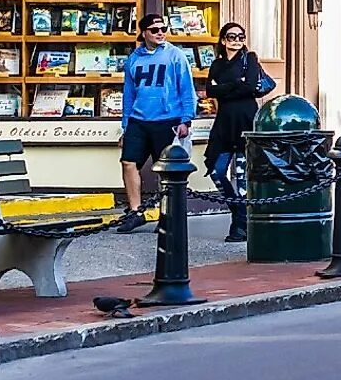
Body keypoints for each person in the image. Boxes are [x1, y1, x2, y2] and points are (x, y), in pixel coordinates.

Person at [117, 13, 195, 230]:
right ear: (144, 33)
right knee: (128, 162)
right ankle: (135, 211)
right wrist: (125, 126)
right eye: (154, 30)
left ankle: (167, 214)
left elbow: (187, 89)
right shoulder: (134, 58)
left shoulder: (175, 56)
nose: (160, 33)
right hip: (138, 120)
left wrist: (186, 119)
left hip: (167, 119)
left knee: (166, 170)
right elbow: (129, 94)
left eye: (163, 29)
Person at [202, 21, 274, 242]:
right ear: (223, 40)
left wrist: (227, 88)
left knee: (243, 177)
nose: (236, 41)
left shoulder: (249, 58)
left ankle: (240, 225)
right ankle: (238, 212)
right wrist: (235, 84)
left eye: (240, 36)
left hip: (245, 120)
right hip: (224, 123)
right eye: (231, 37)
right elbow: (210, 90)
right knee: (216, 170)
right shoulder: (216, 64)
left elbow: (251, 87)